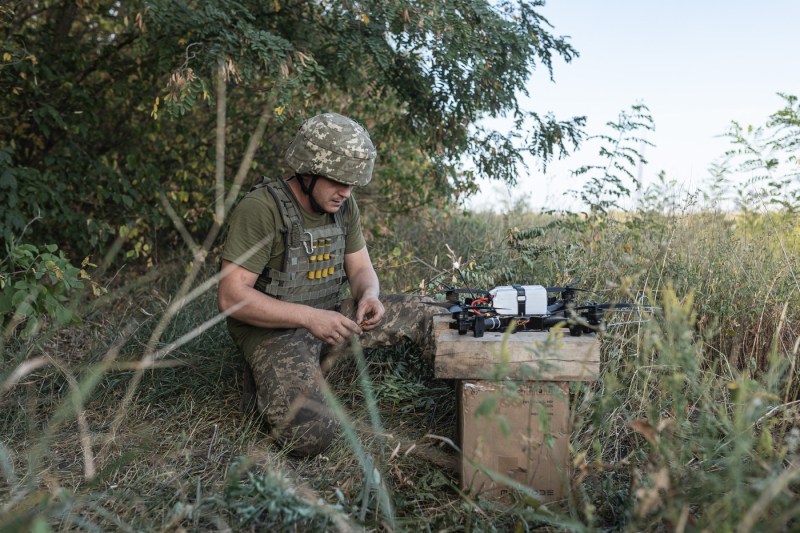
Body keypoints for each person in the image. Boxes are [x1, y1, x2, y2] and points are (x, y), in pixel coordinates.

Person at [218, 112, 441, 457]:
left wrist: (369, 295)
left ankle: (465, 394)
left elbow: (362, 268)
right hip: (272, 333)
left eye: (352, 183)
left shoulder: (343, 205)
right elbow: (231, 296)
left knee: (430, 313)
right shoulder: (261, 209)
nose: (346, 192)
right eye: (339, 181)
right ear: (308, 170)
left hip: (330, 317)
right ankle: (268, 385)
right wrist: (308, 318)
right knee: (312, 436)